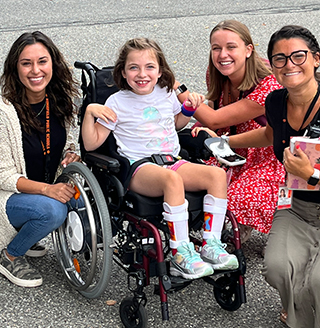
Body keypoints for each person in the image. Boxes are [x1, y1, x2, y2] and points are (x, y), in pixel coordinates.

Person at [82, 37, 239, 280]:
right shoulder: (116, 102)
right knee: (172, 180)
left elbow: (176, 125)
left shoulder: (166, 94)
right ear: (123, 72)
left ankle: (211, 245)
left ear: (160, 71)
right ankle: (180, 253)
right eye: (133, 67)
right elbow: (92, 143)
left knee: (216, 175)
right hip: (139, 167)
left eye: (149, 67)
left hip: (172, 159)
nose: (141, 74)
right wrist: (90, 112)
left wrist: (187, 109)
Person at [223, 25, 320, 327]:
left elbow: (310, 174)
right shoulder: (276, 101)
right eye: (280, 59)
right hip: (296, 206)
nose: (289, 64)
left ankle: (301, 313)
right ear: (272, 66)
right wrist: (223, 141)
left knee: (316, 282)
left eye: (298, 56)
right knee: (277, 267)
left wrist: (312, 175)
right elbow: (270, 133)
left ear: (317, 59)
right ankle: (302, 306)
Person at [175, 20, 286, 243]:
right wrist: (203, 128)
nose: (222, 54)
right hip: (232, 145)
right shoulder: (217, 73)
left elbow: (214, 118)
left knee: (236, 197)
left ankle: (283, 228)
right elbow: (216, 112)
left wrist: (174, 86)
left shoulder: (269, 83)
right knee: (194, 175)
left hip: (269, 151)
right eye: (216, 48)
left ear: (248, 50)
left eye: (231, 47)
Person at [0, 31, 81, 287]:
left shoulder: (60, 102)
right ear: (16, 68)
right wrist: (49, 190)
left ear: (53, 64)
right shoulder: (4, 112)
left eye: (42, 61)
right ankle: (10, 255)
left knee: (79, 197)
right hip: (5, 196)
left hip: (34, 192)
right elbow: (3, 176)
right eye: (26, 63)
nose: (36, 70)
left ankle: (29, 231)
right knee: (54, 209)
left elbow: (65, 141)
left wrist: (70, 153)